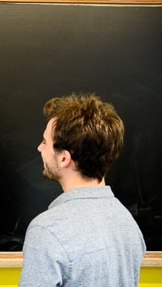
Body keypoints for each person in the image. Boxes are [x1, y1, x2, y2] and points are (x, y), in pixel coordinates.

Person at [19, 93, 146, 286]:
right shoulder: (127, 223)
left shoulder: (47, 230)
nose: (39, 148)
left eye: (45, 142)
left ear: (64, 158)